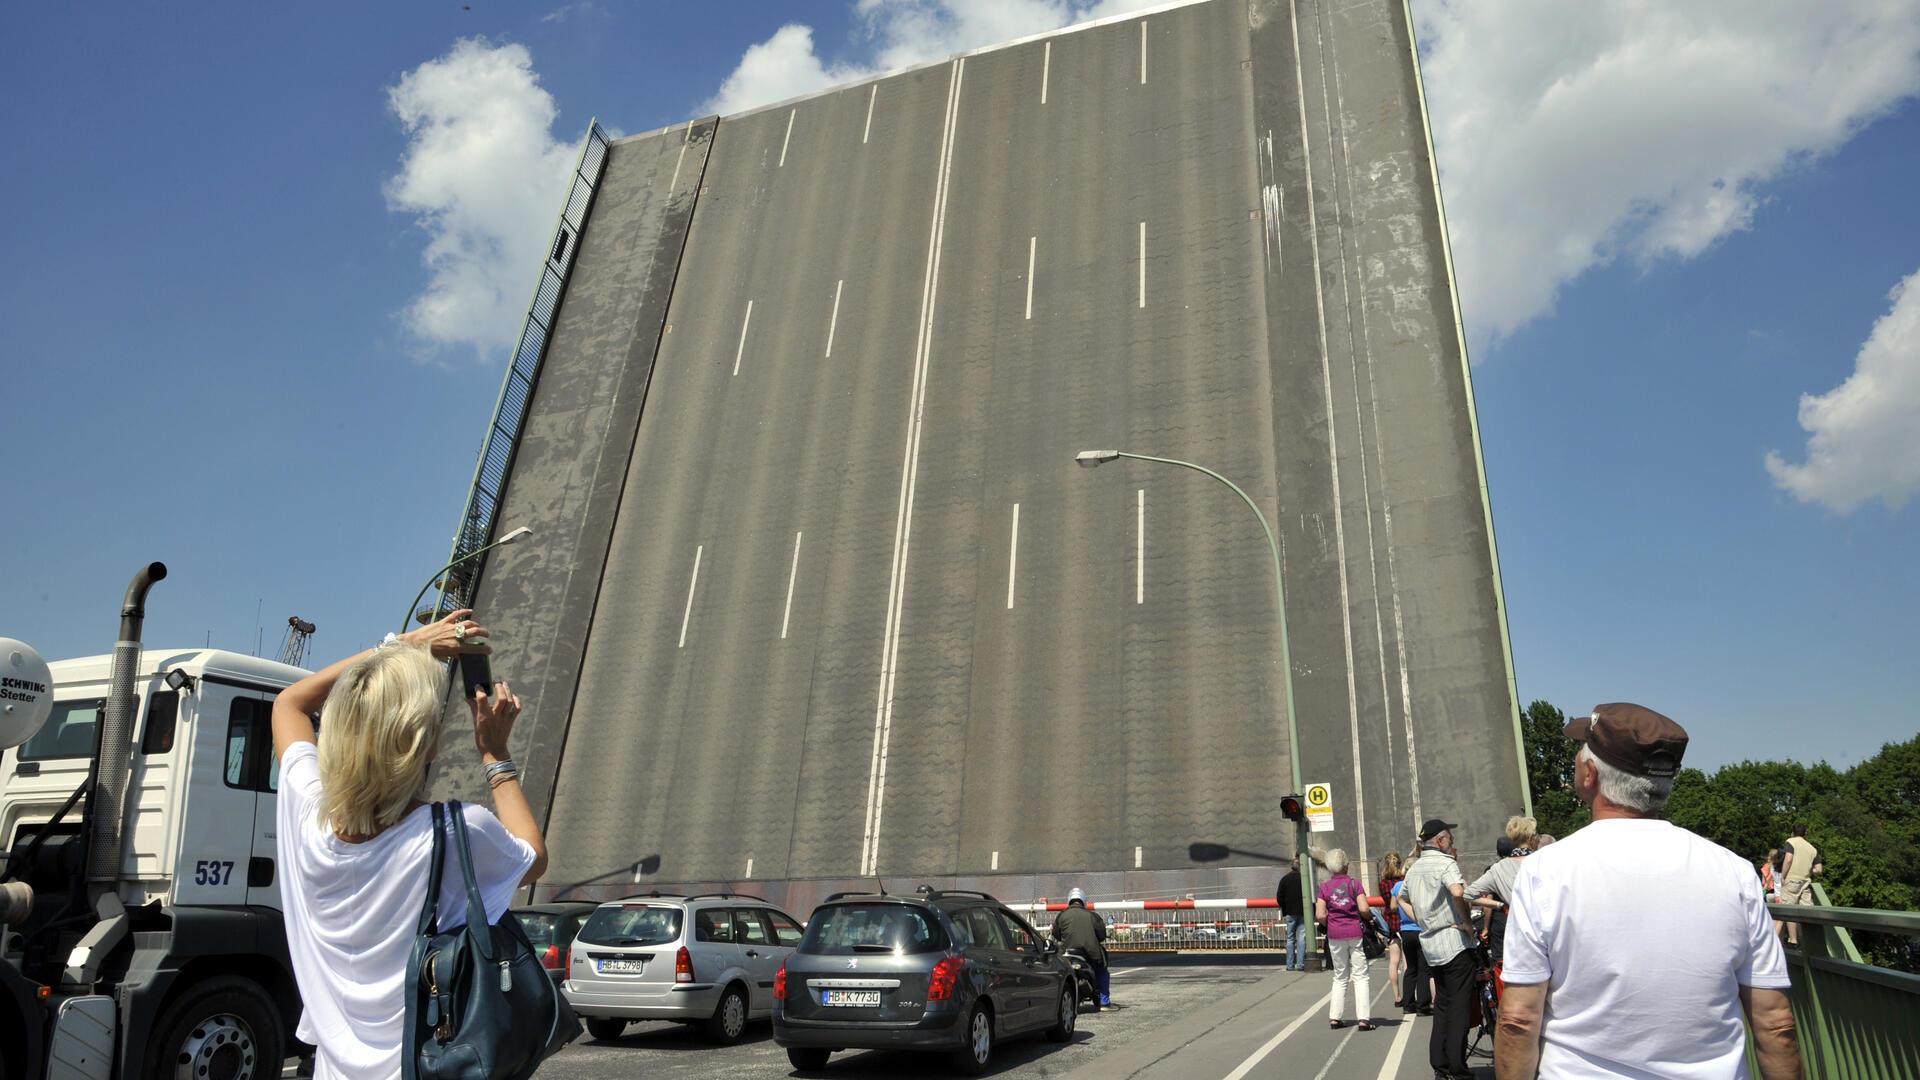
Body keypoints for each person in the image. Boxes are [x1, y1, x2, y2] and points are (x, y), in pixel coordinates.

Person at [271, 610, 549, 1079]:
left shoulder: (306, 814)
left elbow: (290, 703)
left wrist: (404, 643)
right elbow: (534, 858)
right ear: (426, 746)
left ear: (336, 730)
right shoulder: (454, 832)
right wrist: (495, 755)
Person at [1495, 703, 1800, 1080]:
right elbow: (1776, 1023)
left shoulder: (1544, 871)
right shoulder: (1734, 871)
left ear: (1590, 774)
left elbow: (1518, 1019)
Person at [1403, 818, 1477, 1080]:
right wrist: (1466, 923)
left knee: (1443, 1004)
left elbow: (1400, 897)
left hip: (1430, 942)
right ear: (1440, 841)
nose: (1452, 843)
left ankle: (1440, 1064)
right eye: (1450, 839)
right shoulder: (1447, 863)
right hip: (1453, 941)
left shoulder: (1414, 868)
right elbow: (1458, 891)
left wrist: (1420, 919)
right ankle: (1458, 1067)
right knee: (1459, 1007)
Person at [1316, 848, 1375, 1030]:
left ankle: (1335, 1016)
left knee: (1340, 976)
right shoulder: (1354, 884)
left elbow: (1319, 914)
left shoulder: (1324, 887)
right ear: (1346, 866)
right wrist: (1369, 917)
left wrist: (1330, 921)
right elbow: (1364, 909)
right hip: (1354, 932)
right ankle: (1363, 1018)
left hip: (1335, 934)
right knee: (1360, 975)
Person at [1052, 888, 1110, 1007]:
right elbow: (1102, 935)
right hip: (1090, 954)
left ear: (1069, 901)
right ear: (1083, 901)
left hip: (1067, 954)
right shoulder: (1092, 916)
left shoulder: (1061, 916)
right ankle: (1104, 1000)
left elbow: (1056, 934)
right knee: (1102, 970)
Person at [1393, 847, 1431, 1015]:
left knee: (1410, 968)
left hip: (1405, 930)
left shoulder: (1398, 886)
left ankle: (1408, 1003)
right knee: (1424, 968)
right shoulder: (1420, 883)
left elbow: (1393, 906)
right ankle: (1423, 1005)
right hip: (1421, 928)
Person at [1776, 824, 1819, 944]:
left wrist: (1783, 876)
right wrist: (1810, 870)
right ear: (1806, 834)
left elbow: (1788, 859)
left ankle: (1790, 941)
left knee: (1786, 912)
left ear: (1792, 833)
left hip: (1792, 880)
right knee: (1806, 913)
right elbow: (1819, 869)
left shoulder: (1791, 842)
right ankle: (1808, 943)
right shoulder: (1812, 848)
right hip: (1805, 883)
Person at [1376, 851, 1406, 1005]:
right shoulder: (1403, 881)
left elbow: (1386, 902)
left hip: (1391, 924)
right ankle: (1410, 995)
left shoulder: (1383, 884)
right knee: (1408, 962)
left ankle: (1397, 996)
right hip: (1405, 923)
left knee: (1394, 962)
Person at [1278, 856, 1306, 971]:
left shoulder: (1284, 879)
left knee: (1290, 938)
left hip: (1290, 912)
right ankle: (1300, 964)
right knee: (1301, 938)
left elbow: (1279, 897)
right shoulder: (1304, 879)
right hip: (1303, 912)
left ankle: (1289, 965)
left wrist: (1285, 907)